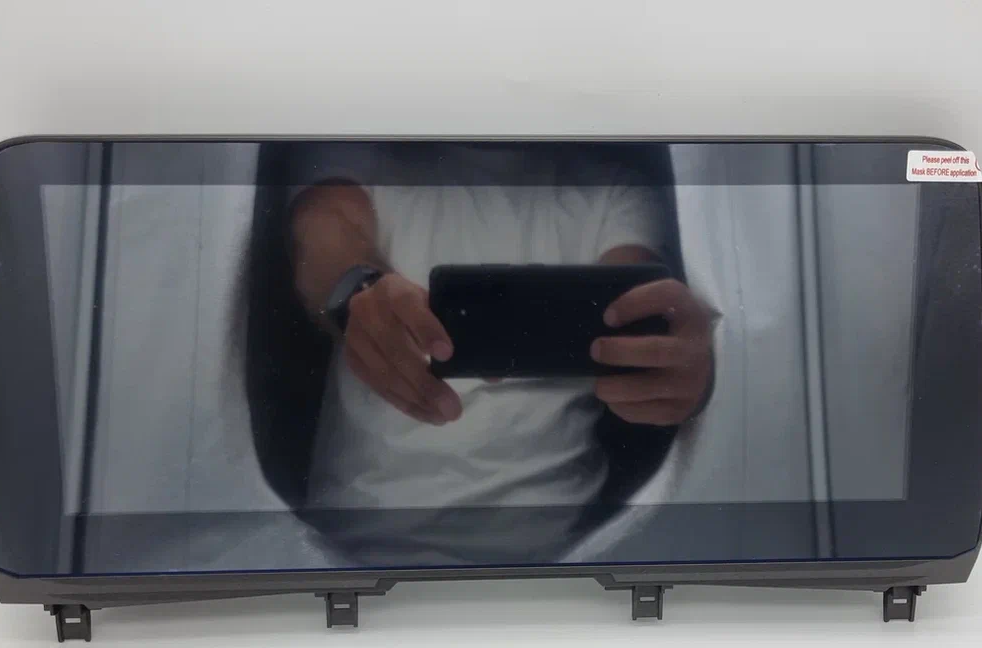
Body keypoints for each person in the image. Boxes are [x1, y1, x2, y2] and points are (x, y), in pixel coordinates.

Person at [285, 144, 715, 514]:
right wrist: (356, 293)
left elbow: (642, 307)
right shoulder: (353, 148)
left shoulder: (614, 188)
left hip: (568, 549)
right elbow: (325, 237)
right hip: (357, 537)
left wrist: (680, 366)